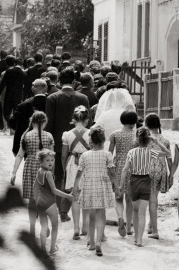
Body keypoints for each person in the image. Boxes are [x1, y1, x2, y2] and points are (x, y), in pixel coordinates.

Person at [45, 67, 89, 222]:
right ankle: (70, 208)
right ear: (74, 81)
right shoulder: (83, 98)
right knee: (79, 179)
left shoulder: (52, 98)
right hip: (81, 148)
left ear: (59, 80)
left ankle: (60, 209)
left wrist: (47, 145)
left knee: (59, 176)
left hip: (58, 143)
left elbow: (48, 124)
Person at [73, 125, 120, 256]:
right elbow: (112, 173)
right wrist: (117, 187)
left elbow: (78, 173)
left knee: (91, 216)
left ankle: (92, 242)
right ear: (103, 141)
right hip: (102, 187)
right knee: (101, 215)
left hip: (88, 187)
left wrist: (75, 187)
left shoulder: (84, 155)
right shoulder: (107, 154)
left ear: (91, 142)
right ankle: (99, 241)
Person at [120, 127, 171, 247]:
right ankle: (140, 240)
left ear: (137, 139)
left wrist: (121, 186)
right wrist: (157, 142)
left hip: (134, 182)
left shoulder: (131, 152)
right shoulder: (151, 152)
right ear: (148, 140)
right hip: (146, 182)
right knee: (142, 213)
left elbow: (125, 170)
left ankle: (135, 238)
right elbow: (167, 153)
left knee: (135, 212)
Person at [10, 112, 54, 236]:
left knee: (32, 200)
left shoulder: (26, 136)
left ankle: (32, 229)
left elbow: (19, 155)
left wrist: (14, 173)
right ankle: (45, 226)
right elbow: (52, 156)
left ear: (32, 121)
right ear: (44, 122)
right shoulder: (49, 136)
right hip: (45, 168)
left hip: (30, 168)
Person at [34, 149, 74, 255]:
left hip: (40, 203)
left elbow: (35, 188)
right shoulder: (48, 174)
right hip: (50, 203)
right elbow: (54, 190)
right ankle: (52, 249)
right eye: (47, 160)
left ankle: (42, 250)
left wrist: (35, 201)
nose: (50, 162)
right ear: (41, 161)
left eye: (52, 160)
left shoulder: (39, 172)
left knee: (43, 227)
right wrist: (68, 195)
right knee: (55, 226)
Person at [61, 106, 90, 240]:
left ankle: (76, 228)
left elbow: (63, 154)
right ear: (87, 120)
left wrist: (64, 168)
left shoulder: (67, 134)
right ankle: (85, 227)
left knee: (75, 197)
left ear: (74, 119)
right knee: (86, 197)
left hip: (73, 164)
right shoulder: (90, 133)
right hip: (88, 164)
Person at [109, 110, 138, 237]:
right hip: (132, 166)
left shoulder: (115, 134)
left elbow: (110, 153)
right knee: (130, 198)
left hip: (118, 165)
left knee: (118, 196)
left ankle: (120, 216)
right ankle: (129, 227)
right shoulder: (136, 135)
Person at [145, 113, 172, 239]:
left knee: (152, 199)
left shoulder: (146, 139)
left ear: (146, 125)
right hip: (161, 170)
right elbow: (169, 158)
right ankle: (151, 225)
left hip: (149, 170)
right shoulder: (165, 140)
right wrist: (171, 175)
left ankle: (154, 230)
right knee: (154, 198)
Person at [10, 79, 48, 156]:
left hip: (29, 144)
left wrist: (16, 147)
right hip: (48, 142)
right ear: (46, 88)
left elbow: (16, 125)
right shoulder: (52, 102)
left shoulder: (23, 105)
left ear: (32, 89)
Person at [0, 55, 26, 129]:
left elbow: (3, 83)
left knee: (6, 112)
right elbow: (25, 87)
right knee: (16, 112)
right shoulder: (24, 73)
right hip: (18, 95)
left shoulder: (9, 71)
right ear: (22, 64)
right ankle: (15, 126)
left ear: (15, 63)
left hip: (9, 94)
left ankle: (10, 124)